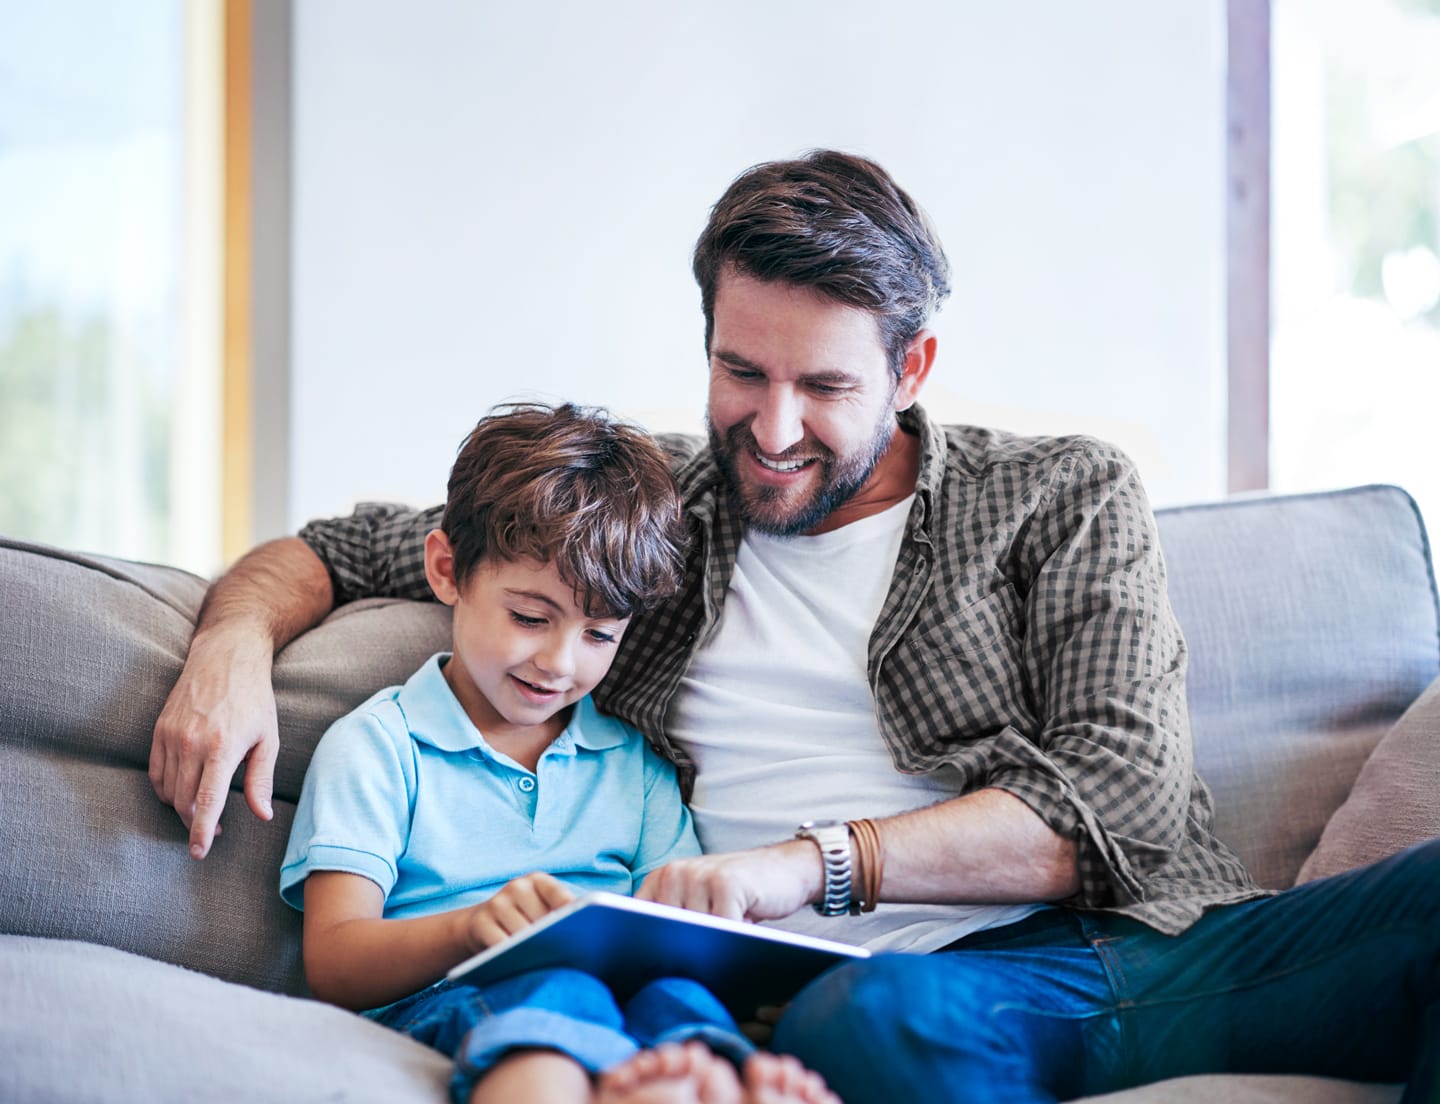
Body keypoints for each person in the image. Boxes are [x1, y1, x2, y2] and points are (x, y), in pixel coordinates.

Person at [151, 150, 1440, 1102]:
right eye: (739, 372)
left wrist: (810, 863)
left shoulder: (1060, 495)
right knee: (885, 1026)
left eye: (824, 386)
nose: (771, 432)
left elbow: (1117, 801)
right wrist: (228, 647)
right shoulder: (649, 512)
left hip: (1131, 952)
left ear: (912, 367)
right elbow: (338, 547)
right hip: (855, 999)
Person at [277, 402, 839, 1104]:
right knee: (561, 991)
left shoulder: (635, 767)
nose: (558, 662)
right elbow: (333, 962)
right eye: (530, 618)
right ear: (448, 569)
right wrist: (471, 929)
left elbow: (678, 929)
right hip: (454, 998)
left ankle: (702, 1079)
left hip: (622, 1002)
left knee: (678, 1000)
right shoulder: (378, 748)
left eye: (600, 635)